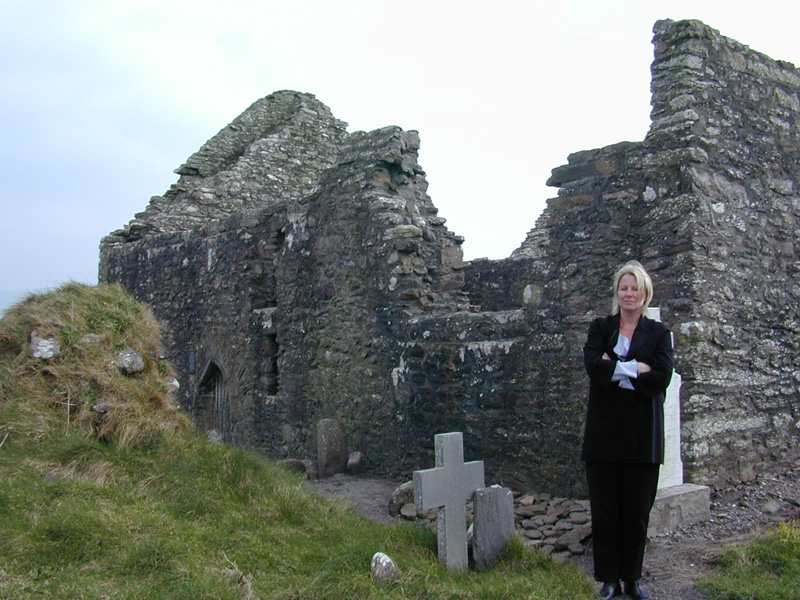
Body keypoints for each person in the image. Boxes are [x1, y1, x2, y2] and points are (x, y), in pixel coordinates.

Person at [582, 260, 674, 600]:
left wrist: (616, 369)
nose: (629, 293)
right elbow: (593, 365)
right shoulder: (600, 328)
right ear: (617, 293)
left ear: (645, 293)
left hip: (641, 436)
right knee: (605, 512)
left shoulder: (659, 334)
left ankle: (632, 579)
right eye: (624, 287)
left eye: (635, 288)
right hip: (604, 435)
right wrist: (637, 369)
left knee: (636, 514)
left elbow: (661, 377)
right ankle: (609, 580)